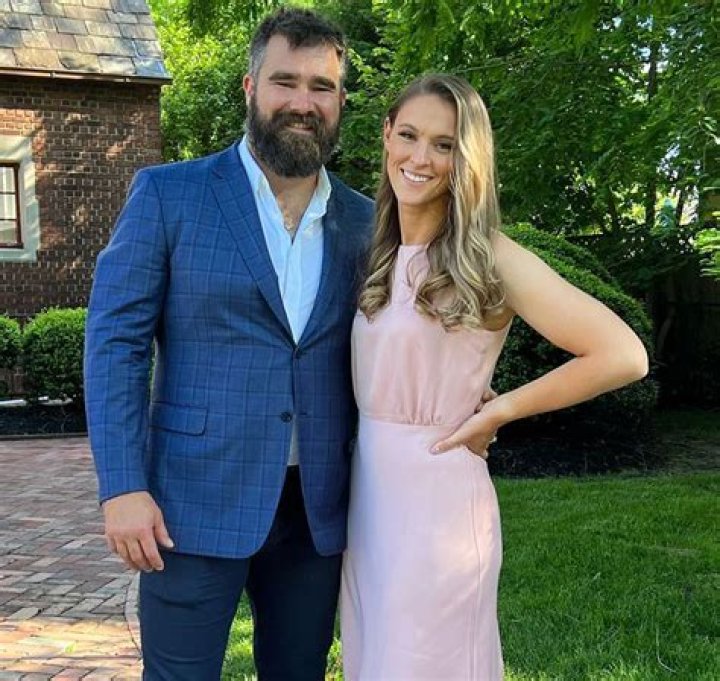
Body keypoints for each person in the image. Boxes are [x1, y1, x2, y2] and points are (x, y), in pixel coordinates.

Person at [84, 8, 372, 680]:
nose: (303, 102)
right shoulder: (170, 195)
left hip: (317, 512)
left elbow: (396, 337)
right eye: (285, 81)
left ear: (339, 101)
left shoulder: (365, 220)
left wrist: (464, 388)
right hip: (190, 503)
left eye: (322, 87)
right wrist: (122, 485)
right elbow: (115, 344)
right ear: (250, 88)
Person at [340, 74, 648, 680]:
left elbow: (621, 353)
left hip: (439, 507)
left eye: (444, 145)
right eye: (409, 135)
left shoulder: (489, 254)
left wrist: (499, 410)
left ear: (468, 158)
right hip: (369, 500)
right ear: (386, 135)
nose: (420, 158)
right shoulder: (378, 250)